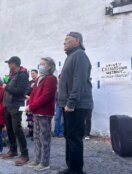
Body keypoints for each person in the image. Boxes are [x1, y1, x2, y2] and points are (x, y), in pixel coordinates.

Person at [58, 32, 93, 174]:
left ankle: (77, 171)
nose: (64, 42)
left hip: (76, 106)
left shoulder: (79, 55)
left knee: (75, 138)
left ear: (77, 41)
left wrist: (71, 103)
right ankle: (71, 167)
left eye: (67, 39)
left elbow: (78, 82)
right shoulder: (71, 56)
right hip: (69, 105)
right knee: (69, 137)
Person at [26, 57, 57, 171]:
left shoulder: (51, 79)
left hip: (44, 112)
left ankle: (45, 163)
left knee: (44, 138)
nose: (40, 66)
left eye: (43, 64)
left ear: (49, 66)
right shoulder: (39, 78)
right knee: (36, 136)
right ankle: (37, 159)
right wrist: (29, 105)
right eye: (40, 64)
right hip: (36, 111)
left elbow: (46, 96)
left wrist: (32, 106)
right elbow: (33, 94)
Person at [2, 56, 29, 166]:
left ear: (15, 64)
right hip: (8, 105)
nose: (8, 65)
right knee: (9, 129)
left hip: (16, 105)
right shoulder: (12, 74)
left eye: (9, 63)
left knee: (17, 129)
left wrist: (6, 87)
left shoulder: (22, 75)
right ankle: (13, 150)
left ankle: (24, 155)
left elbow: (19, 91)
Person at [25, 69, 38, 140]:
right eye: (31, 73)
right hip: (29, 102)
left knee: (35, 119)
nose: (32, 74)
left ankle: (35, 134)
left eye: (33, 73)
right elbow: (25, 92)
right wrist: (30, 87)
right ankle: (30, 132)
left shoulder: (39, 81)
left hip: (36, 102)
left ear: (37, 74)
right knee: (29, 118)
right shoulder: (29, 82)